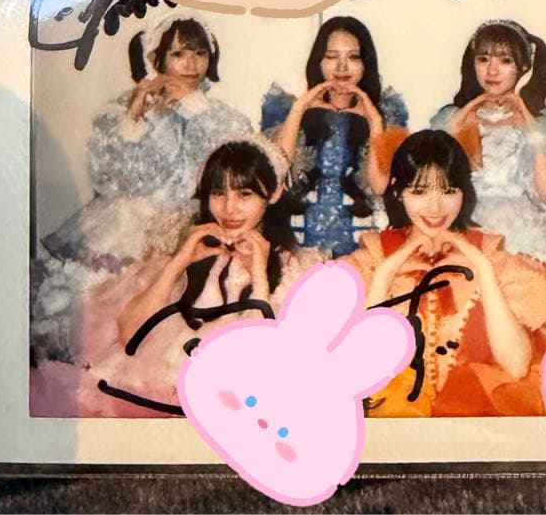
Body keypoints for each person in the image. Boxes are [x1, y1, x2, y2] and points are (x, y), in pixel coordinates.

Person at [30, 137, 325, 417]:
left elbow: (264, 365)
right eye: (218, 194)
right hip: (161, 381)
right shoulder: (200, 256)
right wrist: (178, 263)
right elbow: (129, 335)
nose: (229, 209)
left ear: (272, 195)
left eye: (244, 194)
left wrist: (259, 276)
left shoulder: (291, 270)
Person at [342, 130, 546, 417]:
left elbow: (516, 366)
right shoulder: (371, 259)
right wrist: (386, 273)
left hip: (473, 416)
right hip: (395, 419)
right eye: (419, 192)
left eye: (448, 191)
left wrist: (482, 268)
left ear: (463, 192)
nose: (435, 207)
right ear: (397, 191)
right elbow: (360, 368)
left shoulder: (493, 258)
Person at [41, 14, 253, 271]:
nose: (191, 65)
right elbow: (109, 179)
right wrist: (133, 121)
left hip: (195, 223)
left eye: (200, 53)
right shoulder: (128, 107)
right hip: (128, 227)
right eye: (178, 54)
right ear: (156, 58)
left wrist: (197, 109)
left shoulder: (218, 115)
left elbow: (231, 169)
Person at [431, 20, 546, 257]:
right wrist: (467, 111)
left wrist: (524, 112)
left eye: (505, 61)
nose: (491, 71)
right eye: (483, 59)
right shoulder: (451, 118)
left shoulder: (541, 124)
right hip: (465, 231)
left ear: (524, 68)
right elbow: (434, 183)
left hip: (526, 237)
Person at [262, 16, 408, 257]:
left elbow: (379, 185)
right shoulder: (288, 111)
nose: (342, 67)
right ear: (318, 61)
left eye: (353, 57)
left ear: (366, 64)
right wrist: (299, 109)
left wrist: (374, 122)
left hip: (362, 245)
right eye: (331, 57)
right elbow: (275, 171)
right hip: (297, 246)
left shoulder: (387, 117)